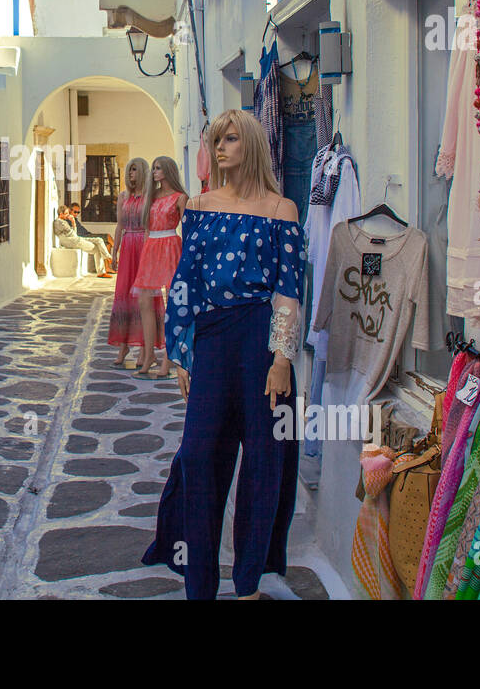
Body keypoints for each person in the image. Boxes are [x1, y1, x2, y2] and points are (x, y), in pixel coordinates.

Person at [141, 109, 304, 600]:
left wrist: (281, 359)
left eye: (230, 139)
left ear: (250, 144)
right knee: (198, 457)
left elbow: (288, 292)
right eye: (215, 140)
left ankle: (249, 581)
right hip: (211, 340)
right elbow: (185, 283)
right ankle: (200, 582)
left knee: (263, 461)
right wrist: (182, 354)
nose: (220, 147)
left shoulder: (282, 209)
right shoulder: (201, 206)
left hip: (260, 342)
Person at [130, 155, 188, 378]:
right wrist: (144, 250)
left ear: (168, 171)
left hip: (170, 245)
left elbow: (187, 228)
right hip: (152, 247)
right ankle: (148, 356)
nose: (154, 172)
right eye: (153, 168)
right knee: (144, 301)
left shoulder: (180, 198)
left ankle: (168, 360)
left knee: (171, 303)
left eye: (158, 168)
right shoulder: (151, 197)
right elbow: (147, 226)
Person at [107, 158, 162, 367]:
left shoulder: (150, 197)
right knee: (123, 294)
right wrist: (114, 252)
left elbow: (150, 226)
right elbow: (120, 225)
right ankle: (123, 345)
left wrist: (150, 253)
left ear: (142, 172)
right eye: (129, 170)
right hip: (128, 245)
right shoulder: (123, 197)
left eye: (134, 170)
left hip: (143, 247)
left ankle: (145, 349)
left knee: (144, 298)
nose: (130, 174)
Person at [53, 206, 113, 277]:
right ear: (61, 214)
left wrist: (73, 223)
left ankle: (107, 257)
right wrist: (73, 222)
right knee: (97, 248)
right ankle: (103, 268)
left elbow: (74, 233)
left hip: (76, 239)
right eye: (66, 213)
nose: (68, 215)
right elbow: (73, 234)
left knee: (99, 240)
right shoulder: (59, 222)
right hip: (73, 242)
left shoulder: (64, 222)